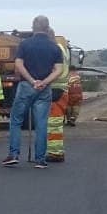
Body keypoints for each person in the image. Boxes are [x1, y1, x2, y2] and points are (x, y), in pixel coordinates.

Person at [4, 15, 63, 168]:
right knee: (41, 123)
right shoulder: (54, 47)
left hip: (26, 87)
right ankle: (40, 159)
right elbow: (58, 70)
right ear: (47, 28)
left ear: (33, 27)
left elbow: (19, 64)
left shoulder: (25, 45)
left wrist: (31, 80)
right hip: (44, 89)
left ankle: (14, 154)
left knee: (16, 120)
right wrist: (44, 82)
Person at [45, 28, 71, 163]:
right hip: (61, 89)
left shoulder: (55, 50)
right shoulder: (61, 48)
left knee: (54, 123)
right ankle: (55, 151)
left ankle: (55, 152)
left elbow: (52, 70)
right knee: (55, 123)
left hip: (55, 90)